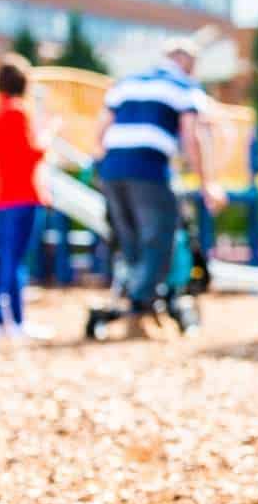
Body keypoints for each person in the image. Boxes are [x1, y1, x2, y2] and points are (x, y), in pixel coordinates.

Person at [96, 38, 226, 338]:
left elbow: (101, 128)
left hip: (112, 168)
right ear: (188, 62)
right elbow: (192, 136)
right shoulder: (184, 87)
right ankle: (138, 310)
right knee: (160, 239)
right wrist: (207, 183)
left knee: (130, 242)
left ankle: (139, 303)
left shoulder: (127, 83)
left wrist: (101, 167)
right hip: (150, 168)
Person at [0, 54, 59, 340]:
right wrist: (49, 136)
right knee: (15, 261)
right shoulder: (18, 111)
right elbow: (30, 155)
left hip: (2, 195)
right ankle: (16, 322)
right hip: (23, 195)